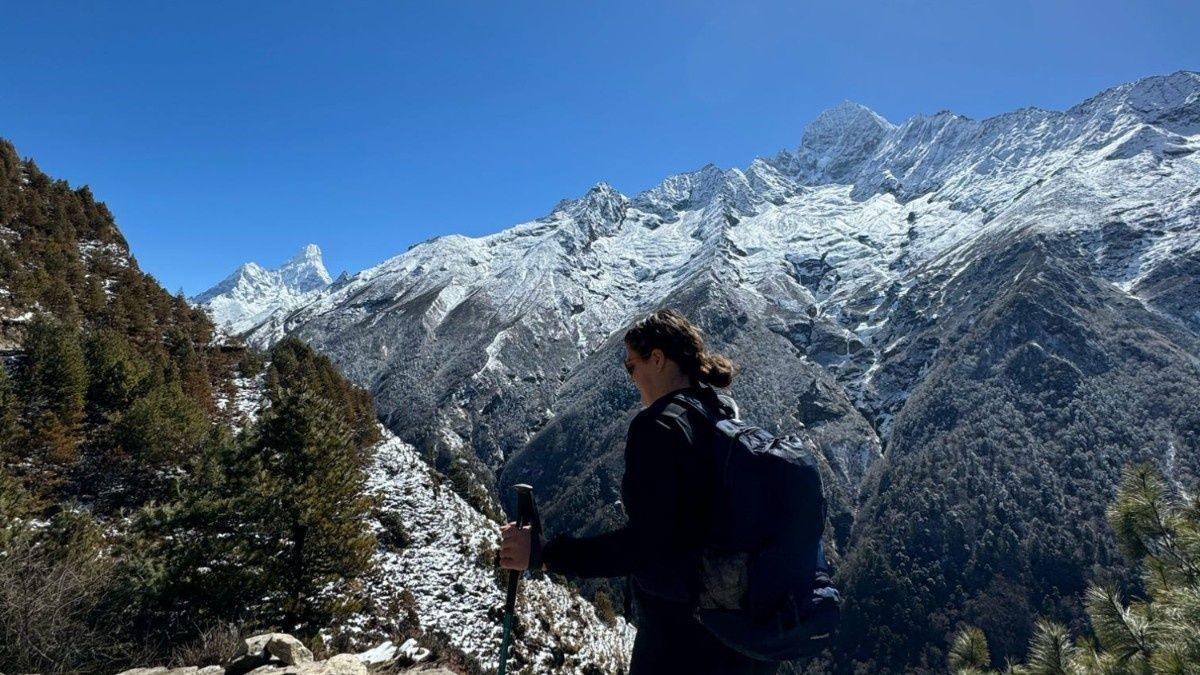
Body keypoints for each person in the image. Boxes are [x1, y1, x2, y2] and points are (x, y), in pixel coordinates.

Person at [499, 308, 778, 675]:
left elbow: (644, 546)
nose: (631, 378)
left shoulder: (659, 428)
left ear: (658, 359)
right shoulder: (724, 416)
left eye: (632, 366)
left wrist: (544, 555)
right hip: (746, 635)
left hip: (680, 639)